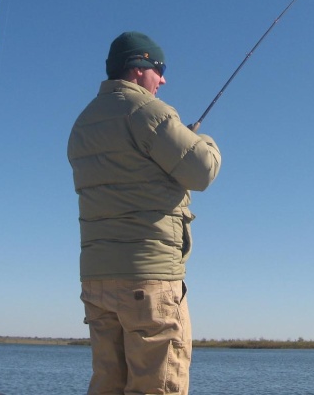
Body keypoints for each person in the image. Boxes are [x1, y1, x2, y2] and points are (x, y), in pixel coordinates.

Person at [67, 31, 222, 395]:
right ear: (139, 69)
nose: (163, 80)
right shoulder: (149, 112)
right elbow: (203, 170)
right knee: (158, 387)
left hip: (96, 282)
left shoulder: (82, 123)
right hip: (149, 281)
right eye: (159, 70)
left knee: (107, 384)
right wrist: (204, 140)